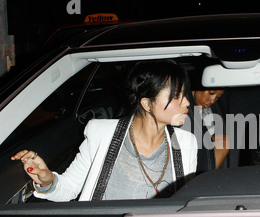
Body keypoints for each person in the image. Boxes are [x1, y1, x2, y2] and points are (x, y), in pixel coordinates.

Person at [11, 61, 197, 201]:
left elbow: (185, 204)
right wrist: (47, 180)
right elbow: (70, 188)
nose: (187, 102)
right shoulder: (101, 134)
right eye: (175, 96)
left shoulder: (186, 143)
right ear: (147, 103)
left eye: (184, 95)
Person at [186, 87, 230, 173]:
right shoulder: (182, 106)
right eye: (211, 93)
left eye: (217, 97)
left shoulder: (208, 112)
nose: (213, 100)